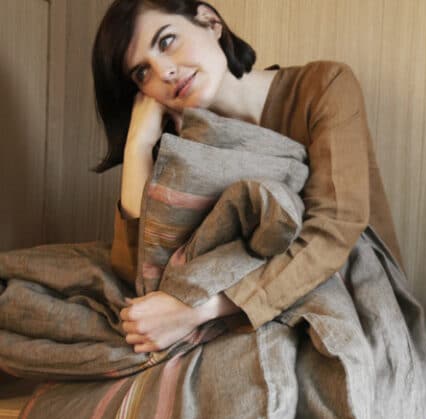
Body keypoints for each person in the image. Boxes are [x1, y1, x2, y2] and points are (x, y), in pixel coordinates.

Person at [92, 0, 403, 354]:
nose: (164, 72)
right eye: (142, 73)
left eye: (166, 42)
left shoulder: (323, 87)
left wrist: (196, 308)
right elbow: (134, 270)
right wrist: (138, 146)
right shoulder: (182, 143)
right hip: (236, 327)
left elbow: (335, 227)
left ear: (210, 21)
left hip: (349, 299)